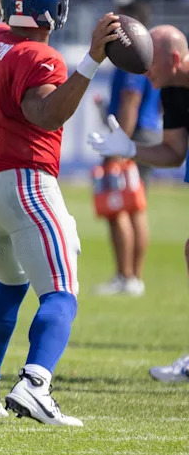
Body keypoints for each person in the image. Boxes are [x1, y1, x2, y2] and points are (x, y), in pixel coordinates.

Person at [0, 0, 120, 426]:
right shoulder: (42, 56)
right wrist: (91, 61)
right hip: (23, 184)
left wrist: (0, 34)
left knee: (10, 283)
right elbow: (45, 114)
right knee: (62, 294)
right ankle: (34, 384)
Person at [89, 24, 189, 382]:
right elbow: (175, 152)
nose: (146, 72)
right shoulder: (174, 91)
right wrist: (130, 150)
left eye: (152, 63)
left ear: (175, 59)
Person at [92, 2, 159, 297]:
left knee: (119, 203)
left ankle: (125, 275)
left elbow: (131, 101)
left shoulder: (133, 51)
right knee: (135, 206)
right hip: (146, 133)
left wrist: (119, 145)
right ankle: (134, 277)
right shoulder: (147, 52)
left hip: (132, 136)